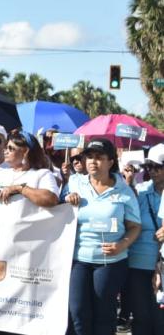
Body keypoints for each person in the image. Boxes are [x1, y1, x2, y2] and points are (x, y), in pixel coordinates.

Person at [63, 138, 141, 335]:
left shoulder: (124, 190)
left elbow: (134, 226)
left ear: (110, 162)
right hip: (78, 260)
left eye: (99, 157)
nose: (92, 161)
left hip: (111, 261)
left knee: (104, 314)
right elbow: (57, 209)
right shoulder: (74, 182)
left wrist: (121, 245)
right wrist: (66, 200)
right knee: (78, 311)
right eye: (89, 157)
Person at [128, 145, 164, 335]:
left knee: (161, 319)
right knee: (141, 317)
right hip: (139, 263)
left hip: (163, 265)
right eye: (148, 167)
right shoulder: (139, 191)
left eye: (157, 166)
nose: (152, 171)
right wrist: (127, 184)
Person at [0, 130, 59, 207]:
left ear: (25, 151)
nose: (5, 151)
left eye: (10, 148)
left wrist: (19, 189)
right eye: (5, 147)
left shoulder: (42, 174)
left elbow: (51, 199)